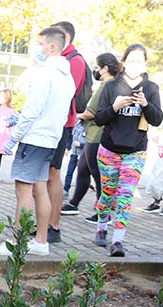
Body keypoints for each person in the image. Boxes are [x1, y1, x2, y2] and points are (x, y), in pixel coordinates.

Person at [0, 27, 75, 257]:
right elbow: (54, 111)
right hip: (50, 139)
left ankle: (16, 243)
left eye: (40, 44)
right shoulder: (67, 77)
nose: (37, 48)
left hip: (34, 138)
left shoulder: (45, 73)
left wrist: (14, 138)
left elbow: (33, 110)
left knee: (23, 191)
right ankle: (41, 240)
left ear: (52, 47)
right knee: (40, 188)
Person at [92, 43, 163, 257]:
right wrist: (115, 107)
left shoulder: (151, 88)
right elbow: (99, 118)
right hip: (109, 149)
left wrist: (146, 105)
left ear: (145, 63)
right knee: (108, 194)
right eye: (131, 60)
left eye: (139, 61)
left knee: (125, 196)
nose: (135, 64)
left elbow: (157, 119)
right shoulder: (111, 87)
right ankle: (101, 228)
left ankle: (118, 241)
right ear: (123, 62)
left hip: (136, 151)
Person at [61, 53, 120, 220]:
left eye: (97, 67)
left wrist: (75, 116)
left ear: (105, 69)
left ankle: (103, 213)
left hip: (97, 135)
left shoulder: (105, 87)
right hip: (94, 134)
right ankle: (74, 203)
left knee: (97, 174)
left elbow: (91, 112)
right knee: (83, 169)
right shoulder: (112, 86)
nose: (95, 70)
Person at [46, 20, 88, 244]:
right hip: (53, 123)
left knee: (53, 174)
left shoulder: (75, 60)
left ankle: (53, 226)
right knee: (46, 175)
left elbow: (66, 93)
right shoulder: (59, 60)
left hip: (62, 124)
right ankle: (44, 223)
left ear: (66, 38)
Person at [63, 120, 85, 194]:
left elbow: (92, 143)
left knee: (82, 174)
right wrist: (68, 148)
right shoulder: (77, 123)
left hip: (83, 155)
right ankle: (66, 189)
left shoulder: (90, 126)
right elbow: (71, 137)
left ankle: (79, 192)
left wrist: (81, 145)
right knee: (69, 172)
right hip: (74, 153)